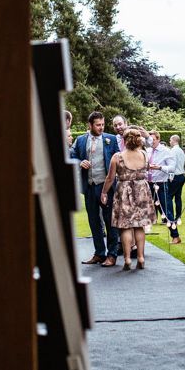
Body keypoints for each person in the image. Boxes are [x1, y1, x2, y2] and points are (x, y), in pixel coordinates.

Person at [101, 128, 156, 270]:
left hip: (124, 191)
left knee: (125, 226)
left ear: (124, 141)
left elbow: (110, 178)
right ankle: (141, 257)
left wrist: (104, 193)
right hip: (142, 190)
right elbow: (147, 170)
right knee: (139, 225)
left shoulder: (117, 157)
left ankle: (126, 259)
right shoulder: (144, 154)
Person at [71, 111, 121, 267]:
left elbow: (119, 159)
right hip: (89, 186)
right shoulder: (80, 140)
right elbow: (71, 154)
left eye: (103, 124)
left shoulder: (111, 140)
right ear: (90, 125)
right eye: (98, 125)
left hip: (106, 186)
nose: (101, 127)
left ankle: (112, 255)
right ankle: (99, 253)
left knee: (109, 221)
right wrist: (79, 161)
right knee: (93, 221)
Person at [146, 131, 178, 243]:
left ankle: (175, 236)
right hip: (148, 184)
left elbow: (172, 168)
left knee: (166, 211)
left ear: (158, 139)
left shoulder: (166, 151)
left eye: (153, 140)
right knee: (146, 209)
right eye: (149, 140)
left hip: (161, 184)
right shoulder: (148, 150)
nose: (151, 142)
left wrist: (159, 167)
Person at [168, 134, 185, 223]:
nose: (169, 142)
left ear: (174, 140)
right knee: (178, 197)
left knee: (169, 197)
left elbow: (173, 165)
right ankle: (178, 217)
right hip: (182, 176)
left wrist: (170, 176)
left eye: (170, 140)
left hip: (175, 176)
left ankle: (170, 216)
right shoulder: (181, 151)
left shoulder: (173, 151)